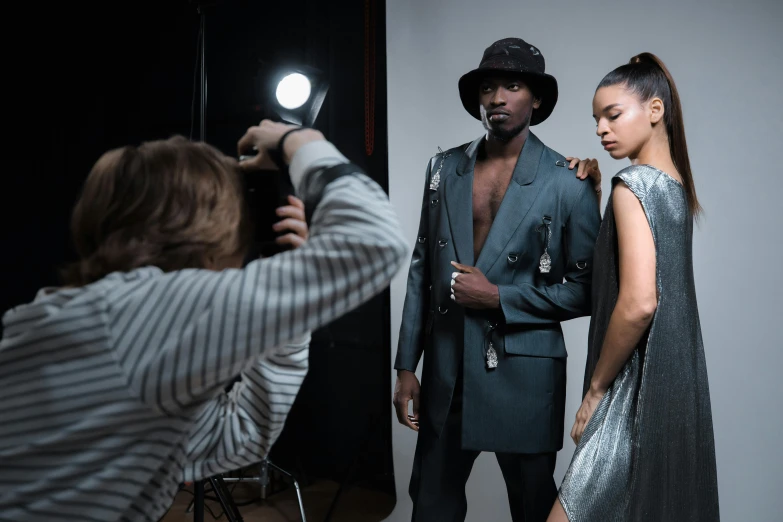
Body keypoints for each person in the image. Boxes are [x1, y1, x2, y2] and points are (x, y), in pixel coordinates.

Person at [0, 120, 408, 522]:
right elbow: (374, 242)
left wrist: (289, 312)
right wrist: (299, 140)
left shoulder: (96, 320)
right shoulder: (142, 314)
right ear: (202, 228)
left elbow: (237, 436)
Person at [393, 37, 602, 522]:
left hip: (524, 375)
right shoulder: (443, 169)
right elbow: (422, 267)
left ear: (538, 100)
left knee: (533, 508)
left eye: (512, 86)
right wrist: (407, 366)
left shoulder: (567, 181)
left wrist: (498, 297)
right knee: (430, 506)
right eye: (489, 87)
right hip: (447, 369)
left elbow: (587, 290)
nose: (498, 98)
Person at [548, 53, 720, 521]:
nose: (601, 129)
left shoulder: (635, 184)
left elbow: (641, 302)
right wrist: (596, 199)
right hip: (674, 390)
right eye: (596, 119)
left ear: (656, 110)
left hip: (630, 389)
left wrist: (596, 390)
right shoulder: (675, 187)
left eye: (613, 114)